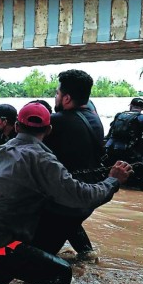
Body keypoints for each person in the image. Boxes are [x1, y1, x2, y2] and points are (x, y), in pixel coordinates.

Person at [0, 102, 132, 284]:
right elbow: (81, 196)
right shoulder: (44, 159)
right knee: (59, 273)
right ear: (49, 130)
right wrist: (112, 181)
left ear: (16, 127)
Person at [33, 69, 104, 259]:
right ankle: (87, 256)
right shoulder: (95, 119)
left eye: (57, 93)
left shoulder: (56, 122)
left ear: (66, 98)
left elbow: (28, 151)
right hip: (87, 195)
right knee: (69, 224)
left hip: (65, 201)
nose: (55, 97)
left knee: (35, 260)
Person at [104, 97, 143, 192]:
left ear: (131, 106)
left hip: (109, 149)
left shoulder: (119, 115)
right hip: (127, 151)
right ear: (142, 108)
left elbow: (109, 134)